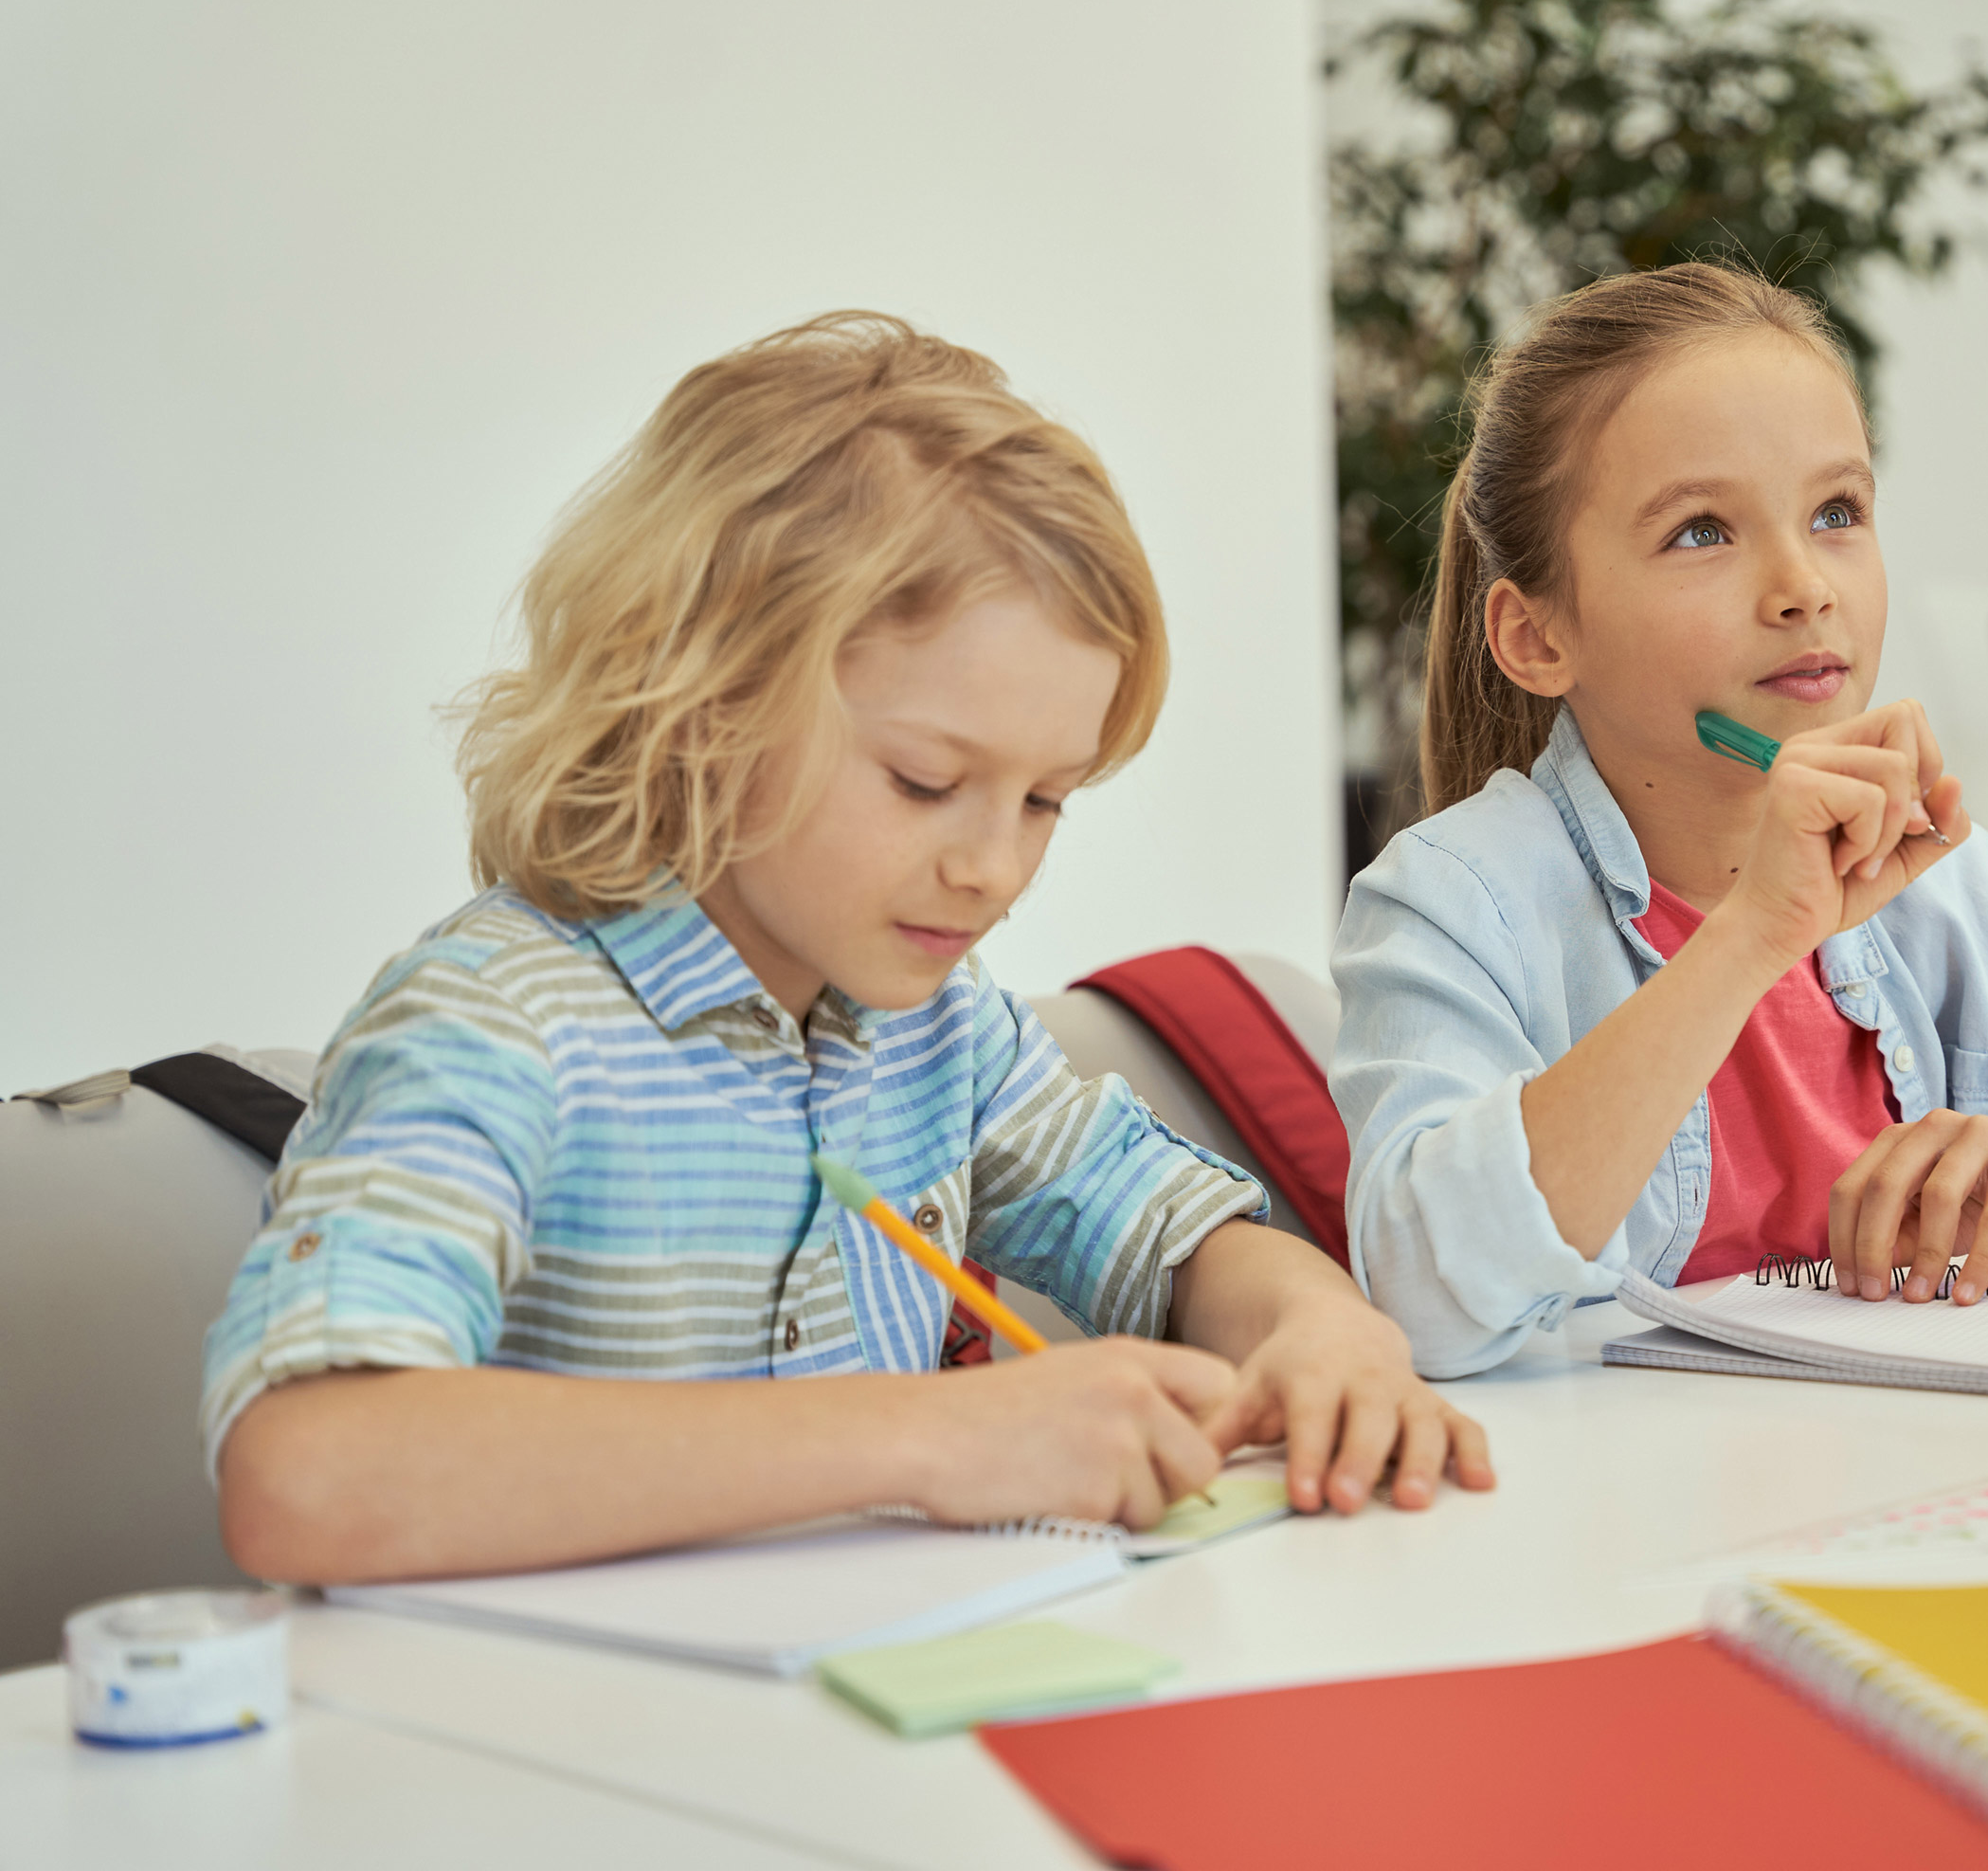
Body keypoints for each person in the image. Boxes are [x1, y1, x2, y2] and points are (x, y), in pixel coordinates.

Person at [208, 313, 1491, 1584]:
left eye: (1045, 800)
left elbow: (1180, 1239)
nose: (993, 866)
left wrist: (1326, 1334)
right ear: (700, 708)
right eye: (926, 782)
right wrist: (926, 1438)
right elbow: (304, 1471)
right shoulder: (491, 1029)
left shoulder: (936, 1029)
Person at [1332, 263, 1988, 1379]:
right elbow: (1425, 1295)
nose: (1804, 585)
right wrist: (1752, 934)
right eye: (1703, 531)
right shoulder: (1448, 904)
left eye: (1836, 512)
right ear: (1537, 637)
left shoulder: (1965, 890)